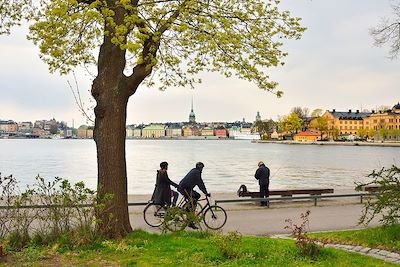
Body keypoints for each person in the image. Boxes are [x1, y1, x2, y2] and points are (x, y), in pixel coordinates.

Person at [178, 162, 210, 229]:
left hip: (186, 188)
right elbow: (200, 183)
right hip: (184, 188)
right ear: (200, 168)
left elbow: (200, 183)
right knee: (193, 203)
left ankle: (188, 208)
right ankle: (190, 221)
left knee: (197, 195)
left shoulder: (194, 170)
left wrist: (204, 192)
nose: (202, 170)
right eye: (202, 168)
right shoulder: (197, 173)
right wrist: (206, 192)